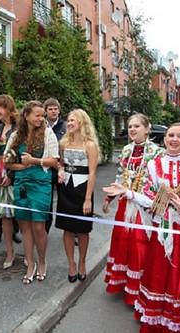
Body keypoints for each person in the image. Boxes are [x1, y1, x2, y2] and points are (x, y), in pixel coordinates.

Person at [103, 123, 180, 332]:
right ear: (164, 139)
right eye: (171, 135)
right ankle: (160, 319)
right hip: (162, 231)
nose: (174, 139)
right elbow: (148, 199)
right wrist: (126, 192)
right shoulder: (154, 165)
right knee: (159, 275)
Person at [102, 114, 162, 305]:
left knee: (139, 245)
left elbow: (158, 183)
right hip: (125, 204)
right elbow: (120, 176)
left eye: (136, 126)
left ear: (147, 128)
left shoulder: (156, 152)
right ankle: (124, 283)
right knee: (122, 243)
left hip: (144, 206)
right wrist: (109, 197)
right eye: (129, 127)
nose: (132, 130)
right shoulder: (127, 150)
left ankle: (139, 289)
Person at [4, 100, 59, 284]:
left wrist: (33, 161)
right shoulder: (15, 136)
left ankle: (42, 262)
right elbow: (7, 161)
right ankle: (30, 265)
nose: (40, 118)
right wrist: (20, 166)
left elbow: (54, 161)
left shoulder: (47, 133)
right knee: (25, 225)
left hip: (41, 183)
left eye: (42, 115)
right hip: (22, 184)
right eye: (37, 114)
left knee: (38, 226)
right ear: (26, 115)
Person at [55, 109, 99, 283]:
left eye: (73, 120)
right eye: (68, 120)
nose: (69, 123)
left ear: (82, 122)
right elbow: (60, 163)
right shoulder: (64, 142)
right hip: (66, 190)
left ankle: (81, 263)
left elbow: (93, 173)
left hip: (83, 190)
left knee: (83, 229)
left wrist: (88, 198)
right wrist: (60, 170)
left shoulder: (90, 145)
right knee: (67, 228)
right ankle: (71, 264)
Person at [0, 94, 21, 269]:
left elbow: (23, 154)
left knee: (21, 215)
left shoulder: (20, 126)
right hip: (0, 176)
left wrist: (11, 176)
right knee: (4, 215)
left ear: (7, 107)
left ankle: (29, 254)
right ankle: (10, 252)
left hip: (16, 175)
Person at [44, 97, 66, 234]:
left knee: (65, 200)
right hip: (46, 168)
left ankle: (70, 230)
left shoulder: (65, 126)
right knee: (47, 201)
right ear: (45, 111)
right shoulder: (41, 125)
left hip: (60, 168)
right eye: (50, 109)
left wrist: (61, 165)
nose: (53, 111)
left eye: (55, 109)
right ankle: (44, 230)